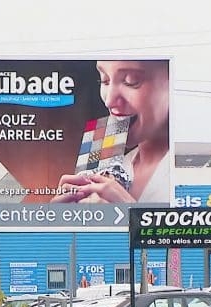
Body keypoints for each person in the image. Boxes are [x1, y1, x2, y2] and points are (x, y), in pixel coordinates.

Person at [52, 60, 170, 203]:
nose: (109, 101)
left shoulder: (195, 165)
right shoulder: (115, 168)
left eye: (131, 81)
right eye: (105, 80)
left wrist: (129, 215)